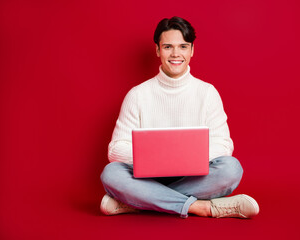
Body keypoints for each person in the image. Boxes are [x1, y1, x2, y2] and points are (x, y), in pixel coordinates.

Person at [100, 16, 259, 218]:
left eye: (183, 46)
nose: (176, 54)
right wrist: (159, 157)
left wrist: (187, 157)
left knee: (231, 169)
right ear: (157, 50)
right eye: (168, 47)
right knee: (111, 173)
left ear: (192, 50)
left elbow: (224, 144)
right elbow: (115, 150)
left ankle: (140, 202)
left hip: (194, 177)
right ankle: (203, 207)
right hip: (147, 179)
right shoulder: (137, 95)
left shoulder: (207, 92)